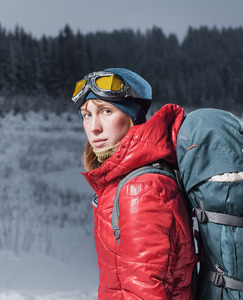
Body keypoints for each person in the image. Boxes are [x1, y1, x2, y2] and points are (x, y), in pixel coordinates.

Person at [71, 68, 196, 299]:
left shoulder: (140, 188)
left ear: (132, 117)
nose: (94, 127)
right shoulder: (124, 179)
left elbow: (147, 291)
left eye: (106, 111)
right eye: (87, 115)